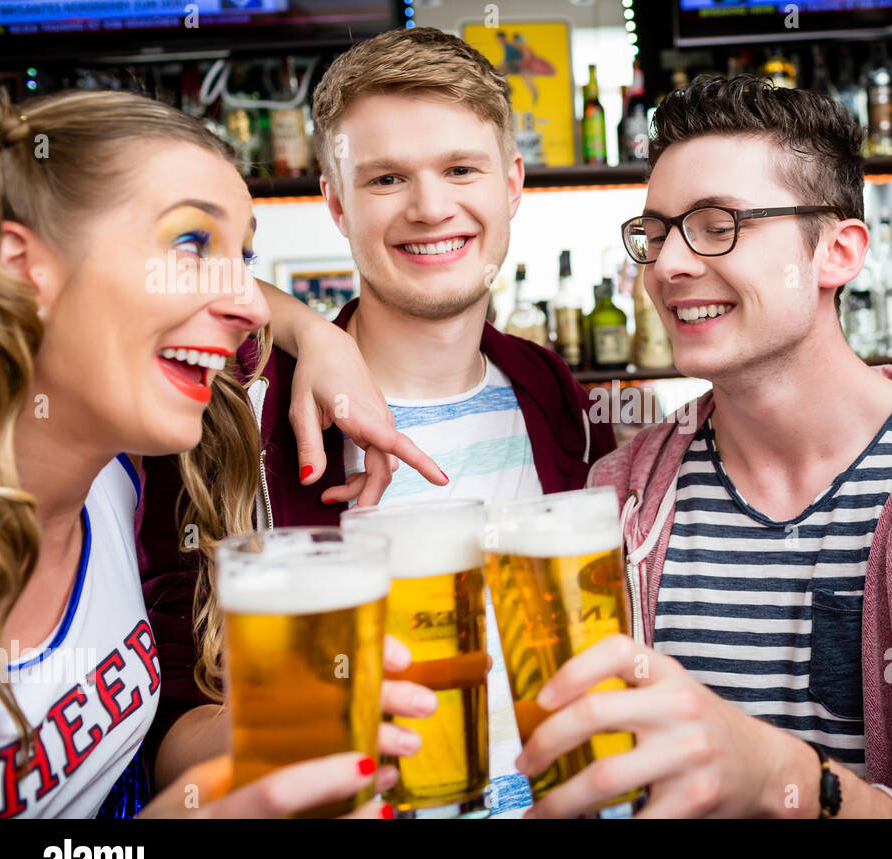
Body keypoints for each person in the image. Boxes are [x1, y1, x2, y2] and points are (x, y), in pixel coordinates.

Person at [513, 74, 892, 818]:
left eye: (718, 225)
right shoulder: (621, 494)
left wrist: (784, 776)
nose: (670, 265)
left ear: (836, 252)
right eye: (655, 233)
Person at [139, 27, 616, 815]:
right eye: (387, 178)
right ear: (334, 202)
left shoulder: (545, 385)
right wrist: (323, 709)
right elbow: (172, 733)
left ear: (513, 184)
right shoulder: (232, 413)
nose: (432, 208)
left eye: (461, 169)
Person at [0, 88, 436, 818]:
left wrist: (317, 333)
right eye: (192, 244)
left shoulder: (117, 473)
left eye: (245, 254)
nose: (252, 305)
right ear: (20, 265)